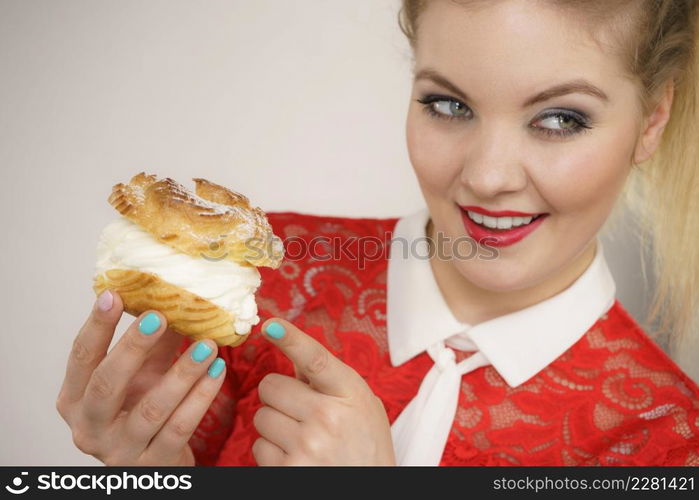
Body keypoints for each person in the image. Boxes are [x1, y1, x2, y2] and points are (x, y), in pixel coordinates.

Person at [57, 0, 699, 466]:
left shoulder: (667, 441)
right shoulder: (254, 279)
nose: (488, 176)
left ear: (653, 119)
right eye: (449, 105)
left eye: (560, 118)